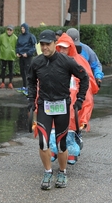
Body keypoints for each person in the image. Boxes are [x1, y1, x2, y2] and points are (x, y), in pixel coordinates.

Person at [27, 29, 89, 190]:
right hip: (44, 106)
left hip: (62, 106)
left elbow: (84, 77)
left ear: (55, 44)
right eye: (42, 44)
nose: (45, 47)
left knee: (61, 144)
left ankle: (62, 172)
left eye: (48, 44)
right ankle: (48, 171)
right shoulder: (36, 62)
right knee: (43, 142)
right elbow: (31, 82)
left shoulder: (66, 61)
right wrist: (31, 100)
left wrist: (80, 99)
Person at [51, 33, 99, 165]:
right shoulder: (52, 62)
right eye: (60, 47)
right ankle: (55, 149)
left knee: (71, 128)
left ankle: (70, 151)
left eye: (65, 48)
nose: (62, 51)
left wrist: (83, 113)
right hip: (57, 101)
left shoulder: (80, 60)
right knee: (54, 128)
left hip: (73, 103)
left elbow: (88, 81)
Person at [15, 23, 37, 96]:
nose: (22, 29)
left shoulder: (31, 36)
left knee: (28, 72)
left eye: (23, 28)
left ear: (26, 29)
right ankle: (24, 86)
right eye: (21, 28)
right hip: (21, 56)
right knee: (22, 71)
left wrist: (28, 53)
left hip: (27, 57)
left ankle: (29, 87)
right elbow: (17, 45)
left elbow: (33, 47)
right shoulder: (20, 36)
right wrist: (17, 52)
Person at [0, 24, 18, 89]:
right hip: (4, 56)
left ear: (13, 31)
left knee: (11, 70)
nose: (9, 31)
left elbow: (16, 46)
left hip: (11, 56)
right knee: (3, 69)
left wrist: (14, 52)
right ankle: (2, 82)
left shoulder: (15, 38)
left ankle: (10, 83)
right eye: (8, 29)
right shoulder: (2, 36)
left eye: (10, 30)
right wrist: (2, 50)